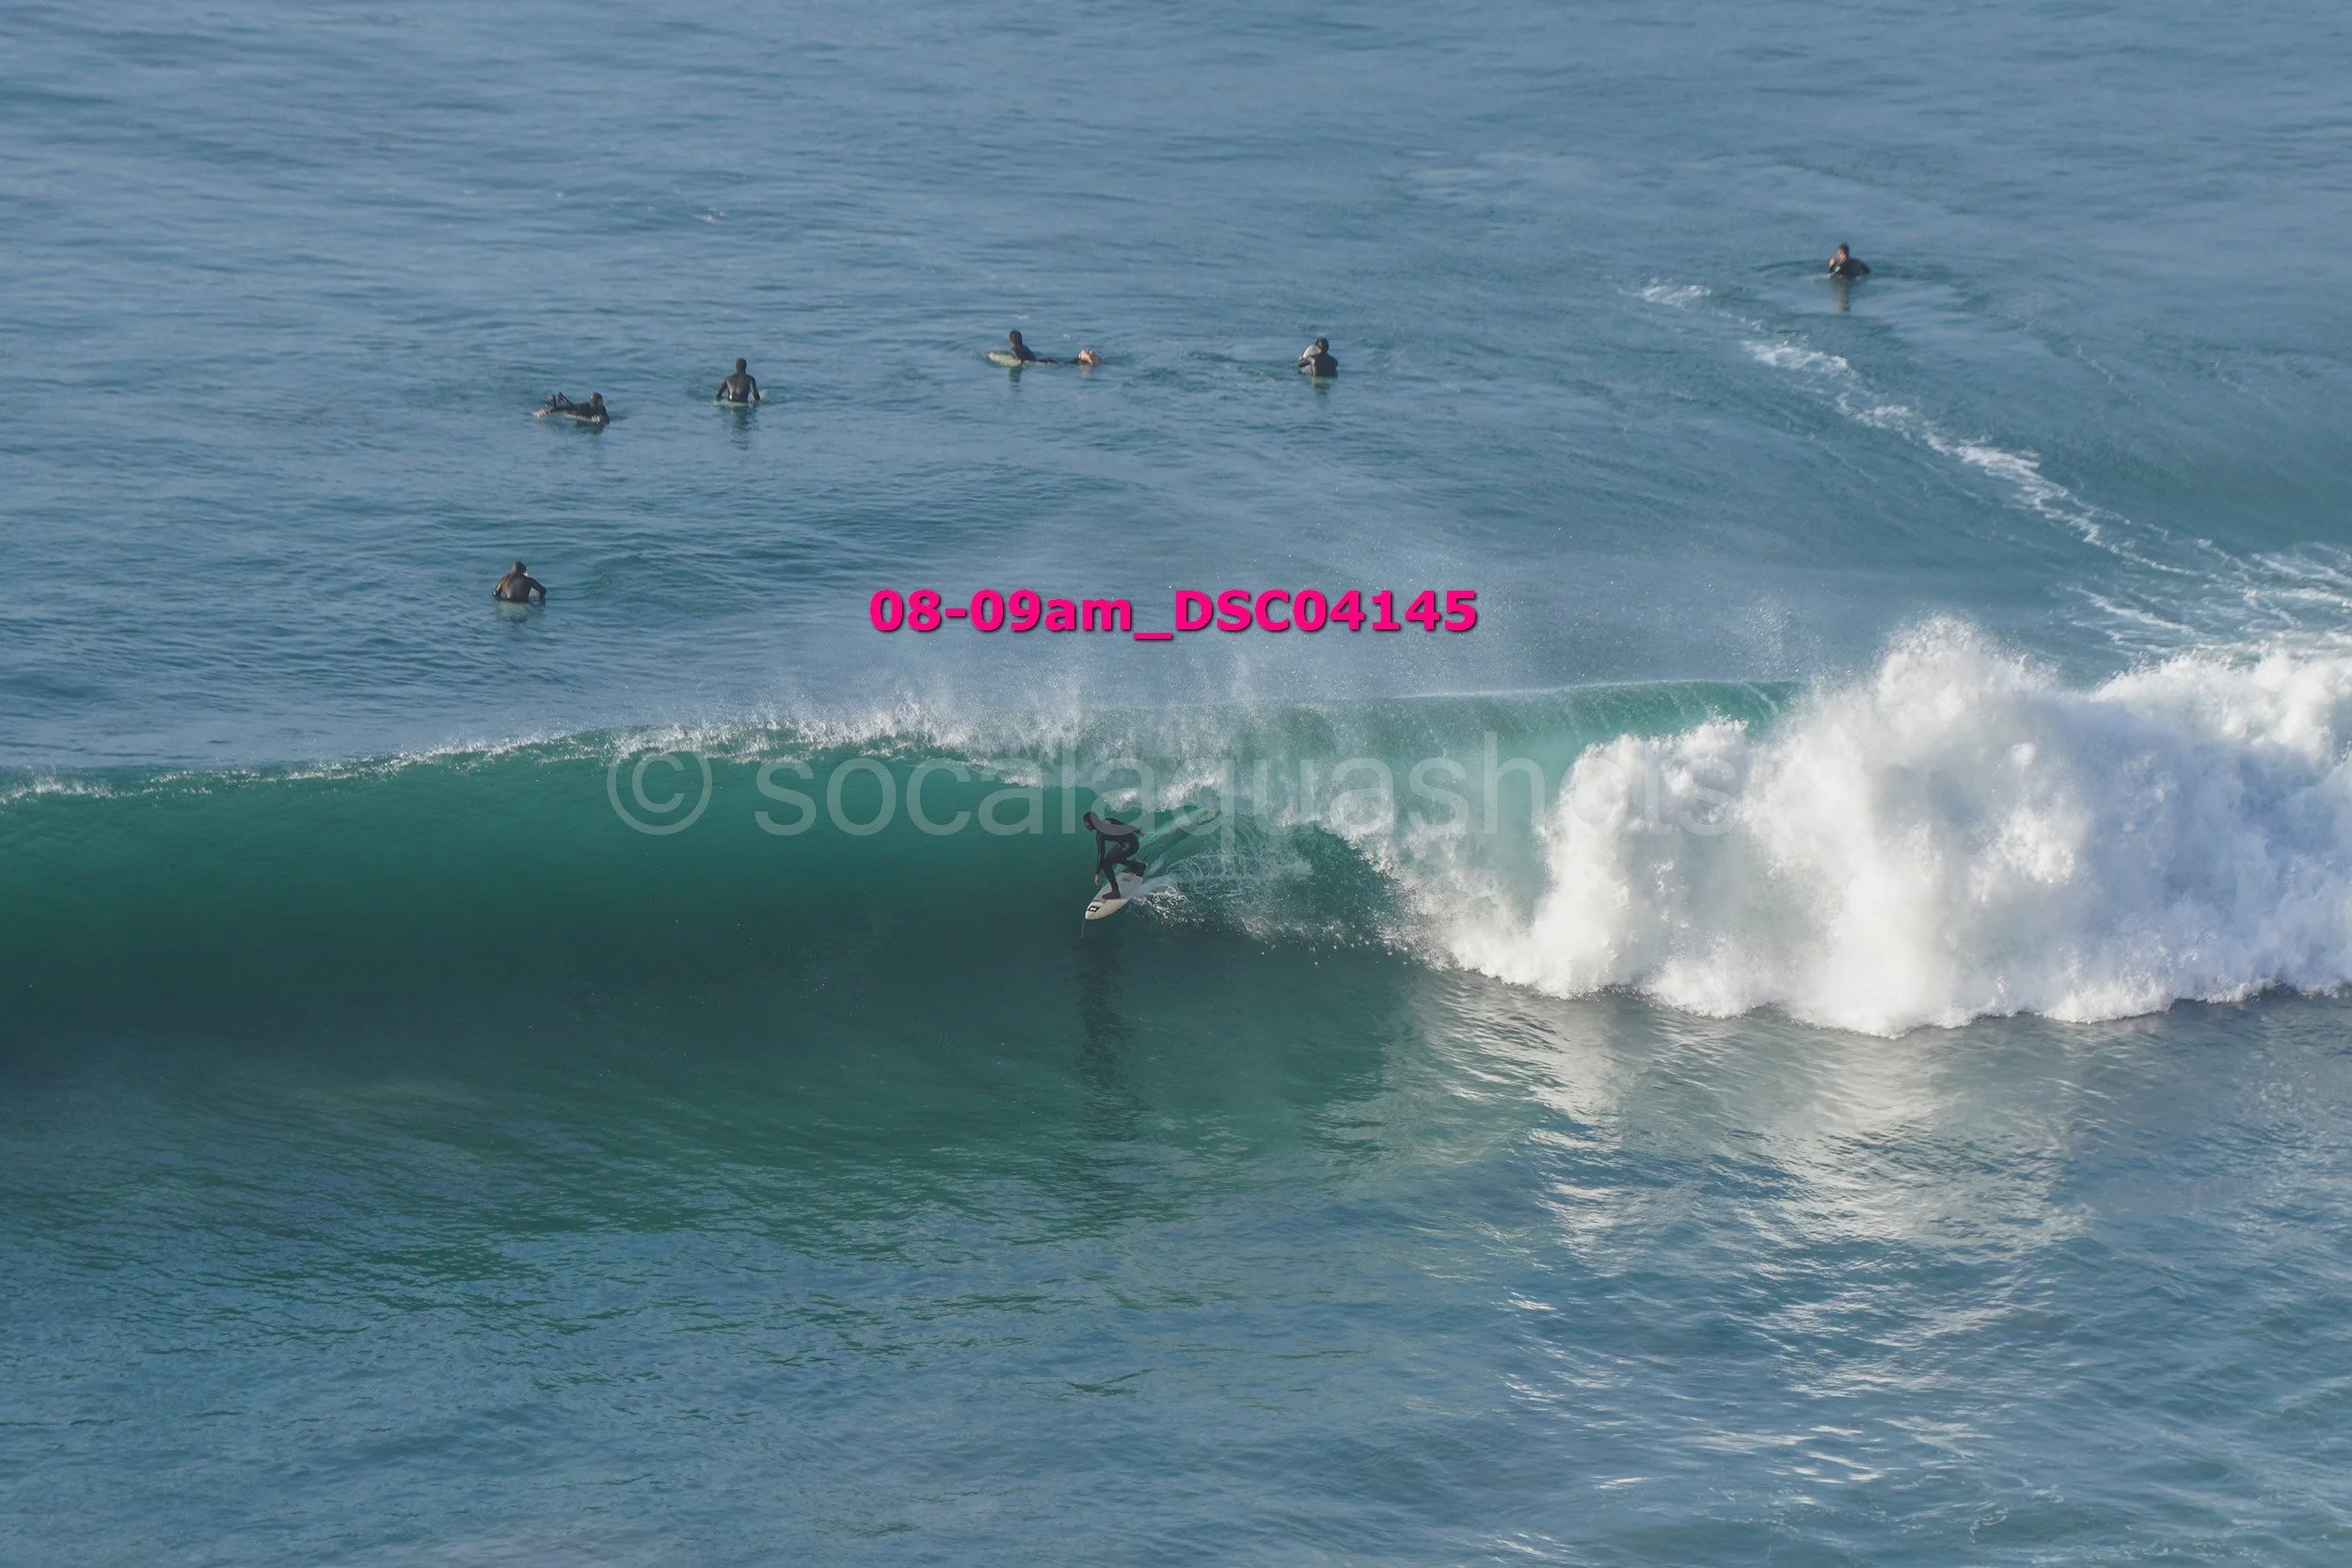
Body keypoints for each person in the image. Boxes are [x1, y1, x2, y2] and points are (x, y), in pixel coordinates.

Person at [1083, 810, 1147, 894]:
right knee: (1111, 856)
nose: (1085, 825)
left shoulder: (1100, 835)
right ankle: (1137, 865)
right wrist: (1138, 831)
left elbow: (1101, 854)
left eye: (1086, 823)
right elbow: (1125, 825)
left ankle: (1115, 892)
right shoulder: (1108, 820)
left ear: (1092, 823)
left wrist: (1097, 873)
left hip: (1130, 847)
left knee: (1105, 864)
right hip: (1133, 841)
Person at [542, 391, 609, 423]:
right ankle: (554, 399)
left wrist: (602, 419)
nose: (601, 403)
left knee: (570, 405)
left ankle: (561, 397)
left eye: (601, 402)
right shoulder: (583, 407)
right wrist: (550, 411)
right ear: (593, 402)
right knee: (568, 407)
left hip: (581, 414)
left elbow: (606, 418)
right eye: (599, 402)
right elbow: (566, 407)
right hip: (572, 413)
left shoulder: (602, 408)